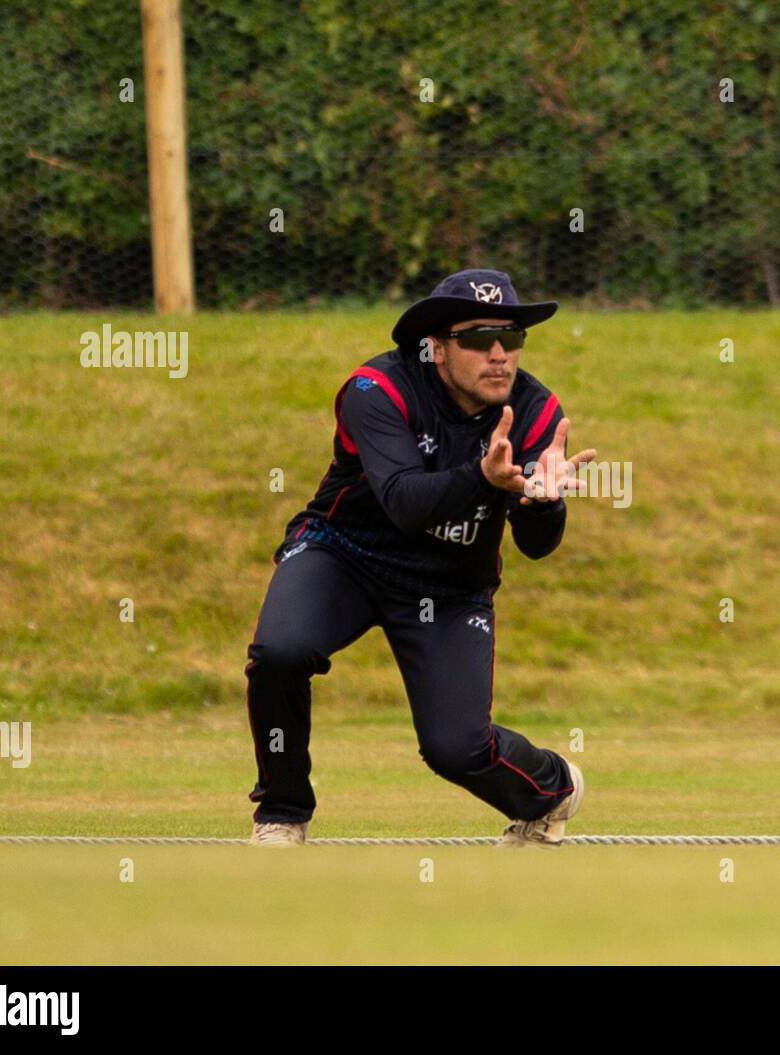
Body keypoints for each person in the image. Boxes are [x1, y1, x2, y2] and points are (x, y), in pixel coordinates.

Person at [244, 268, 596, 848]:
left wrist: (541, 501)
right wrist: (484, 479)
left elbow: (536, 545)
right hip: (345, 555)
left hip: (451, 584)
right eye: (480, 338)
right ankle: (282, 813)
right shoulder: (375, 389)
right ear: (436, 345)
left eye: (512, 337)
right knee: (280, 652)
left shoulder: (535, 411)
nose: (500, 354)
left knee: (455, 749)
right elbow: (405, 501)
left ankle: (551, 788)